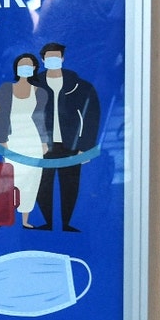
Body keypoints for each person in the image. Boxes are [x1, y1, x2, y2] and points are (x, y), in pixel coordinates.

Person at [30, 42, 100, 232]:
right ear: (43, 60)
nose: (53, 60)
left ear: (62, 58)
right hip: (44, 145)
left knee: (70, 183)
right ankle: (46, 222)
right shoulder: (33, 86)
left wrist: (85, 147)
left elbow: (90, 117)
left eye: (56, 56)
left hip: (71, 144)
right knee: (42, 184)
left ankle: (68, 223)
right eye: (48, 57)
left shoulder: (80, 86)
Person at [0, 53, 50, 228]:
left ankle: (25, 219)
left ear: (34, 69)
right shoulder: (6, 89)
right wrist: (1, 139)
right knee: (8, 177)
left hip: (32, 139)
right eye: (22, 65)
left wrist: (43, 142)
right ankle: (0, 213)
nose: (25, 69)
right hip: (14, 137)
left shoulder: (40, 93)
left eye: (29, 66)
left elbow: (40, 119)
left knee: (32, 179)